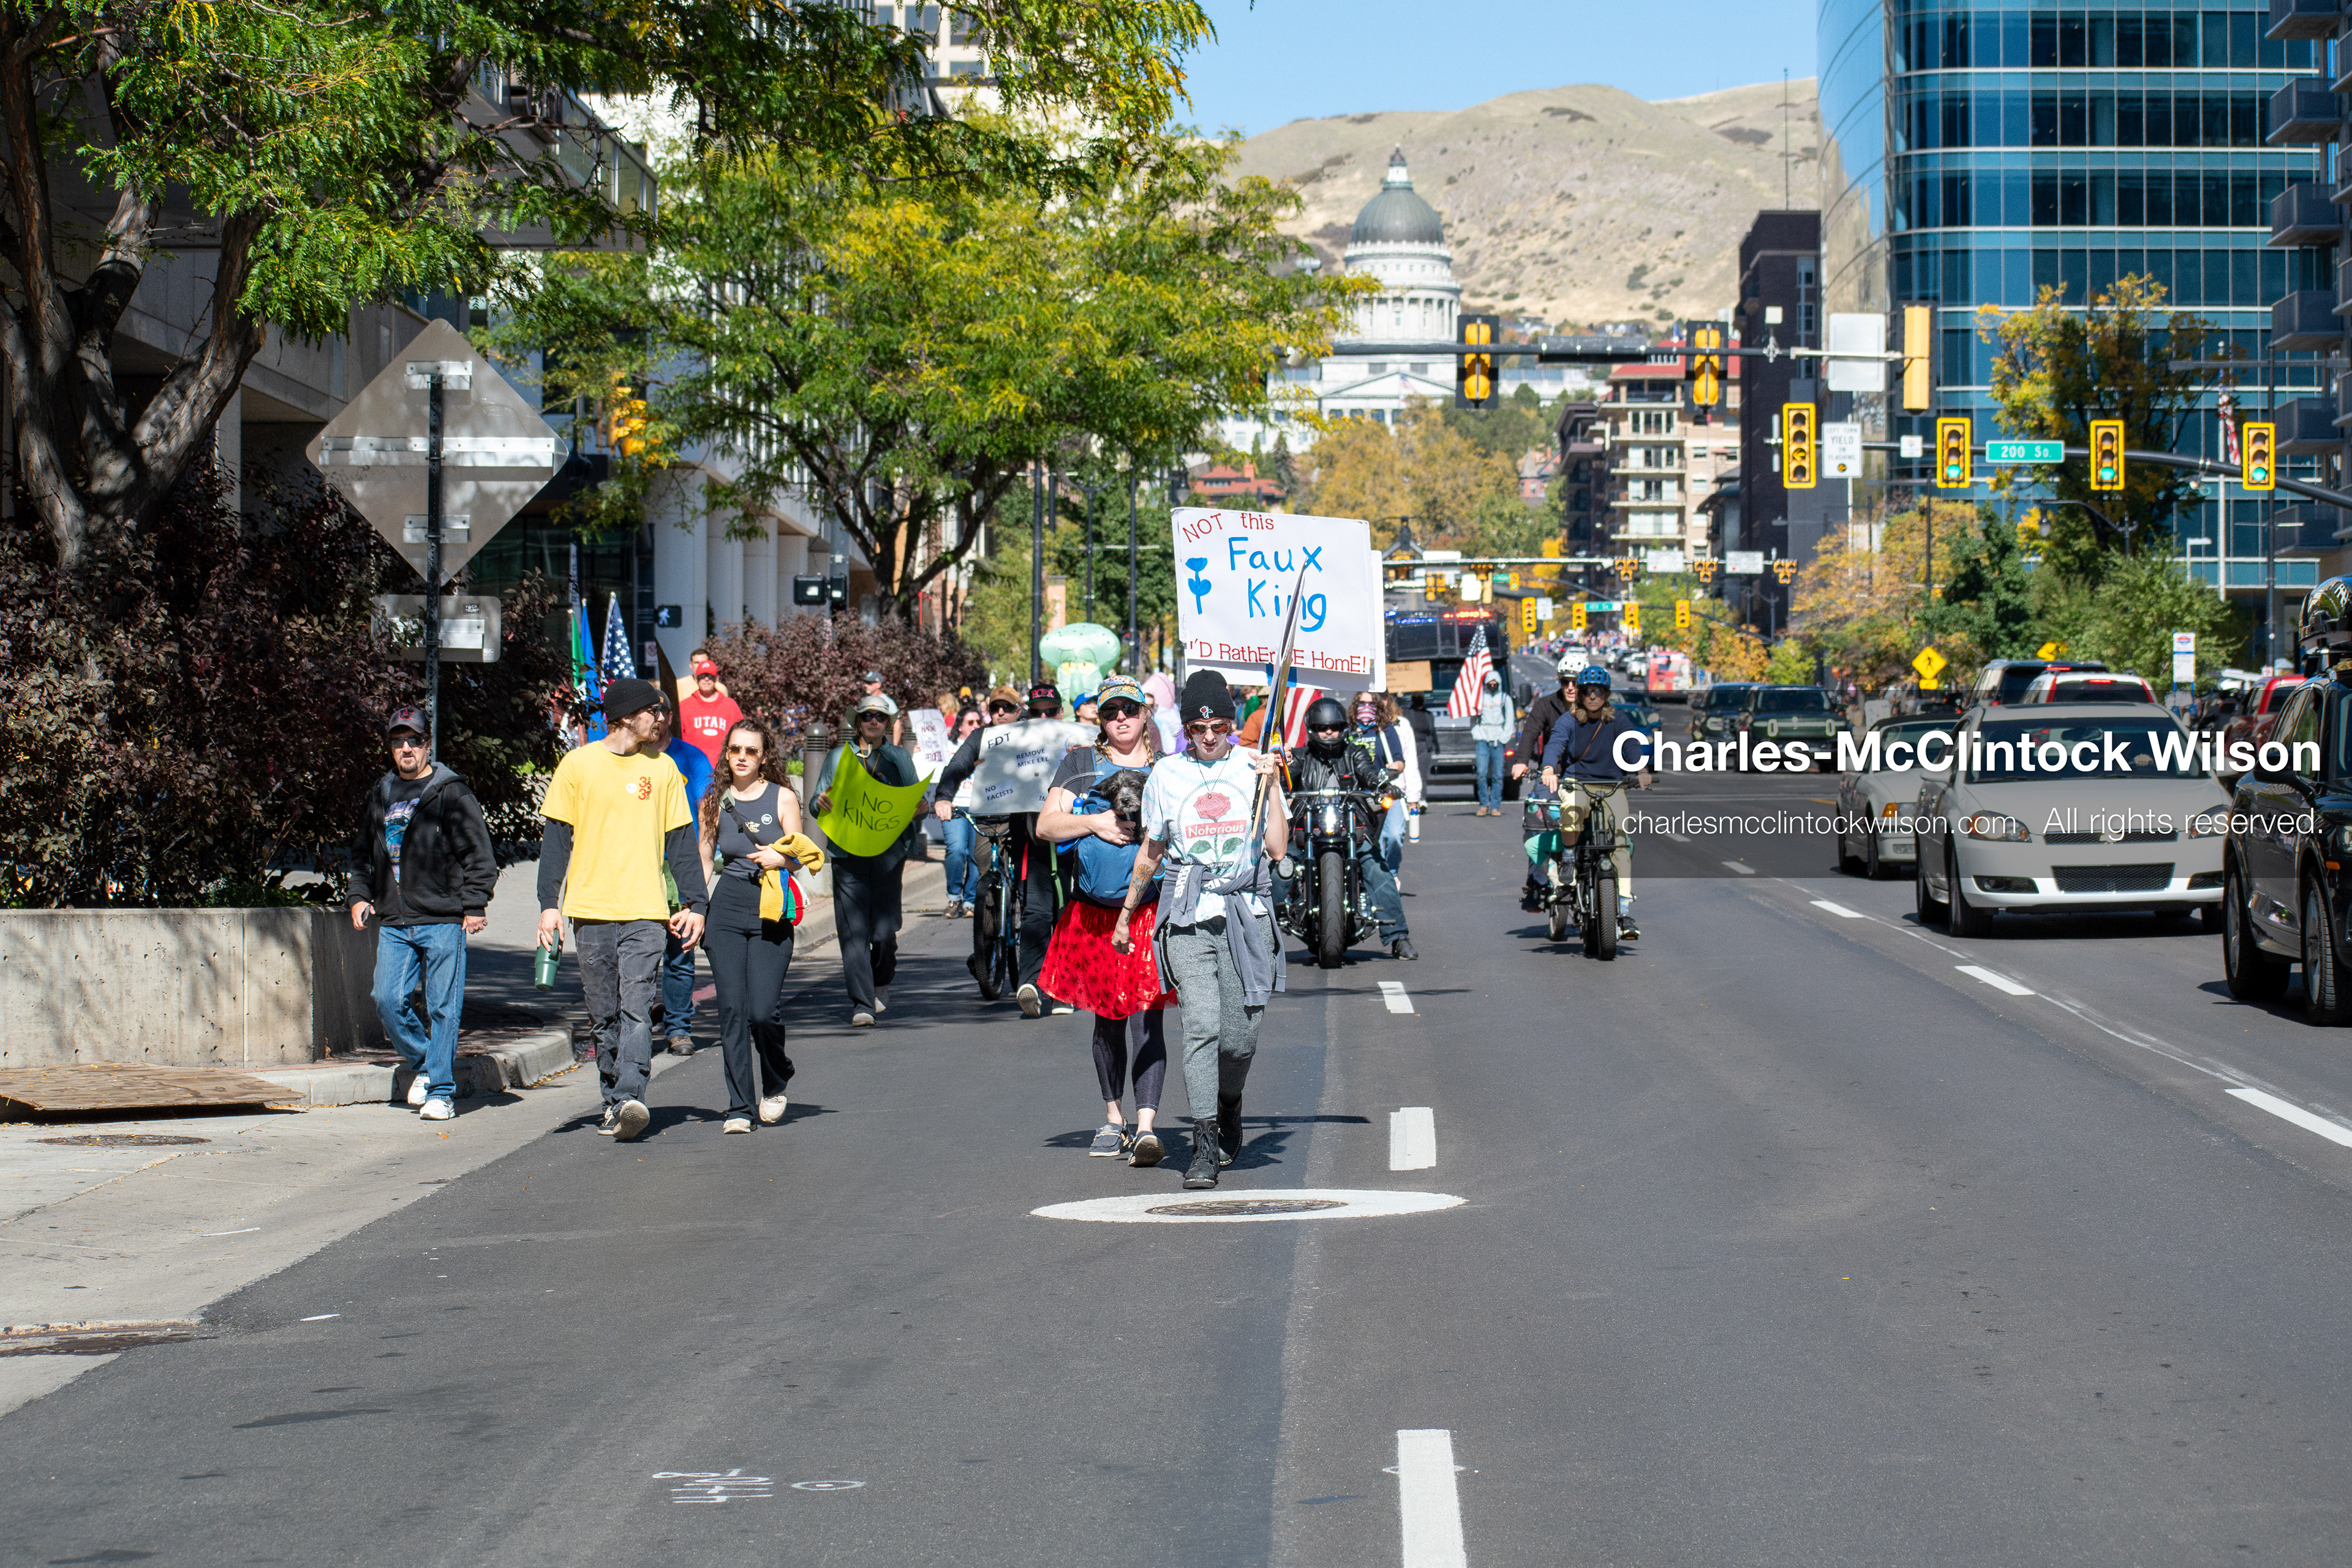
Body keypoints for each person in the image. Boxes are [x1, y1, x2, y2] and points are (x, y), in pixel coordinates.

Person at [1113, 669, 1289, 1191]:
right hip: (1188, 914)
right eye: (1196, 727)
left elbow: (1277, 849)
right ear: (1186, 727)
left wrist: (1273, 786)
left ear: (1232, 724)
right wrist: (1127, 914)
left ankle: (1229, 1103)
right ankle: (1205, 1142)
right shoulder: (1167, 774)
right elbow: (1152, 851)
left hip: (1245, 915)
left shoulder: (1254, 767)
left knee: (1239, 1039)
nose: (1208, 736)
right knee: (1201, 1026)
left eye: (1217, 726)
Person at [538, 677, 709, 1142]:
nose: (660, 718)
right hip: (590, 909)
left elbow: (681, 844)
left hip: (645, 909)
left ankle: (631, 1095)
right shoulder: (578, 766)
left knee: (636, 1004)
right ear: (627, 716)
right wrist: (547, 906)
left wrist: (697, 903)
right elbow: (555, 841)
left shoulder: (665, 770)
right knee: (603, 1015)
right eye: (653, 711)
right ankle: (614, 1102)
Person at [1036, 675, 1174, 1167]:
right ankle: (1113, 1118)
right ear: (1101, 715)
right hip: (1092, 916)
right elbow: (1046, 826)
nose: (1121, 718)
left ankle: (1146, 1127)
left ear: (1145, 717)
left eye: (1130, 711)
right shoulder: (1079, 763)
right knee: (1107, 1017)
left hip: (1150, 914)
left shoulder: (1167, 769)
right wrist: (1094, 822)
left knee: (1147, 1016)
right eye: (1112, 710)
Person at [349, 706, 497, 1123]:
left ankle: (442, 1093)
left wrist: (474, 904)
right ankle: (425, 1066)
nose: (406, 748)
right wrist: (359, 896)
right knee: (387, 1000)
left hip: (443, 918)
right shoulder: (381, 793)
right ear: (390, 749)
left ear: (427, 745)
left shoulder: (451, 792)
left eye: (413, 740)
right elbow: (362, 854)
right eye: (398, 742)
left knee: (443, 1007)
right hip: (395, 921)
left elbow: (479, 855)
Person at [698, 718, 824, 1134]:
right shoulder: (714, 800)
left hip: (771, 908)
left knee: (762, 1012)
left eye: (751, 751)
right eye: (735, 750)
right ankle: (739, 1107)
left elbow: (802, 852)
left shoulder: (783, 797)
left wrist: (779, 858)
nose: (742, 758)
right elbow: (703, 860)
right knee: (732, 1011)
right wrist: (695, 909)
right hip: (728, 908)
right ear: (727, 753)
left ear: (763, 755)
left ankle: (776, 1076)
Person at [939, 682, 1080, 1016]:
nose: (1043, 717)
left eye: (1049, 712)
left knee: (1060, 906)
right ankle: (996, 953)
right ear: (1027, 715)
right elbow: (959, 765)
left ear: (1059, 714)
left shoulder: (1072, 739)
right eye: (1036, 712)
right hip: (1010, 825)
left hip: (1057, 833)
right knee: (1019, 899)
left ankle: (1058, 985)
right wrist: (944, 795)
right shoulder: (992, 738)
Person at [810, 693, 922, 1026]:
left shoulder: (899, 758)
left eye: (881, 717)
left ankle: (881, 980)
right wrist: (821, 801)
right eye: (867, 716)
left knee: (884, 934)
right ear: (857, 722)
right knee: (853, 932)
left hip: (889, 854)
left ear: (889, 723)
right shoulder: (836, 757)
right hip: (848, 853)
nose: (874, 721)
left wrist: (922, 808)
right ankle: (862, 1003)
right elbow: (818, 802)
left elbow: (913, 799)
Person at [1287, 695, 1416, 960]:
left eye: (1334, 726)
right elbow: (1286, 777)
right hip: (1307, 827)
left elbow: (1368, 773)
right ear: (1313, 729)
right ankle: (1265, 935)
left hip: (1350, 826)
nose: (1329, 732)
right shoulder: (1301, 756)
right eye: (1323, 728)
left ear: (1344, 728)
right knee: (1280, 868)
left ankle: (1399, 937)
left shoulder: (1354, 752)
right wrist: (1276, 771)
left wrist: (1382, 785)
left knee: (1378, 871)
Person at [1539, 665, 1656, 942]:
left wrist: (1641, 770)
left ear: (1606, 695)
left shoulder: (1618, 721)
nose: (1593, 697)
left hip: (1611, 785)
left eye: (1598, 692)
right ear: (1579, 694)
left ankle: (1624, 909)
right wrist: (1548, 768)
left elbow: (1632, 746)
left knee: (1621, 841)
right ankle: (1569, 857)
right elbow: (1555, 744)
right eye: (1587, 691)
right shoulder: (1569, 721)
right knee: (1572, 811)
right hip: (1577, 783)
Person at [653, 696, 714, 1057]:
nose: (658, 718)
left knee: (679, 952)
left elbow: (707, 815)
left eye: (664, 711)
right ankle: (636, 1026)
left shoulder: (691, 758)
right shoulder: (631, 759)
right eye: (652, 712)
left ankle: (678, 1028)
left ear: (671, 716)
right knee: (637, 952)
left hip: (681, 867)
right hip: (639, 866)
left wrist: (703, 869)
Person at [1510, 654, 1588, 911]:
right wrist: (1522, 761)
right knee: (1537, 819)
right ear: (1559, 680)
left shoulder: (1595, 707)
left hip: (1587, 777)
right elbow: (1531, 732)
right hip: (1551, 774)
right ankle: (1537, 882)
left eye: (1576, 682)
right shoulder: (1546, 705)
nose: (1570, 687)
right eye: (1566, 681)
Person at [935, 706, 986, 917]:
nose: (976, 726)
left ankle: (970, 901)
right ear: (960, 726)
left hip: (980, 806)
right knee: (956, 850)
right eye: (970, 722)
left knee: (977, 855)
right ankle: (954, 897)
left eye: (978, 722)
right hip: (954, 805)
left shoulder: (988, 744)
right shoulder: (946, 746)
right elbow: (931, 762)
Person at [1370, 693, 1421, 869]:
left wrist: (1414, 797)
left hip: (1395, 791)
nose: (1379, 703)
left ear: (1388, 700)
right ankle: (1382, 877)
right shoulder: (1362, 728)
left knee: (1393, 836)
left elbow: (1411, 760)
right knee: (1374, 839)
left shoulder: (1401, 725)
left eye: (1381, 698)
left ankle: (1391, 872)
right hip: (1368, 792)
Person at [676, 656, 744, 767]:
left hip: (723, 768)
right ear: (696, 679)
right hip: (693, 768)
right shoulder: (684, 706)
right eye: (702, 676)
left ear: (716, 679)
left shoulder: (730, 706)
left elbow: (741, 736)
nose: (706, 679)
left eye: (710, 676)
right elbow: (678, 739)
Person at [1470, 669, 1515, 816]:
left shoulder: (1504, 699)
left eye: (1495, 684)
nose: (1493, 686)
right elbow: (1473, 718)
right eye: (1490, 684)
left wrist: (1505, 736)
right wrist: (1476, 733)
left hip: (1498, 739)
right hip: (1483, 738)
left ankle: (1495, 806)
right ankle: (1484, 804)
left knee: (1498, 775)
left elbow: (1510, 719)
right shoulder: (1480, 699)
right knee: (1481, 773)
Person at [858, 669, 905, 745]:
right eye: (866, 683)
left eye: (870, 683)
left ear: (878, 684)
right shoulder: (864, 701)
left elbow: (897, 725)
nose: (866, 686)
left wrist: (894, 746)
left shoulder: (888, 702)